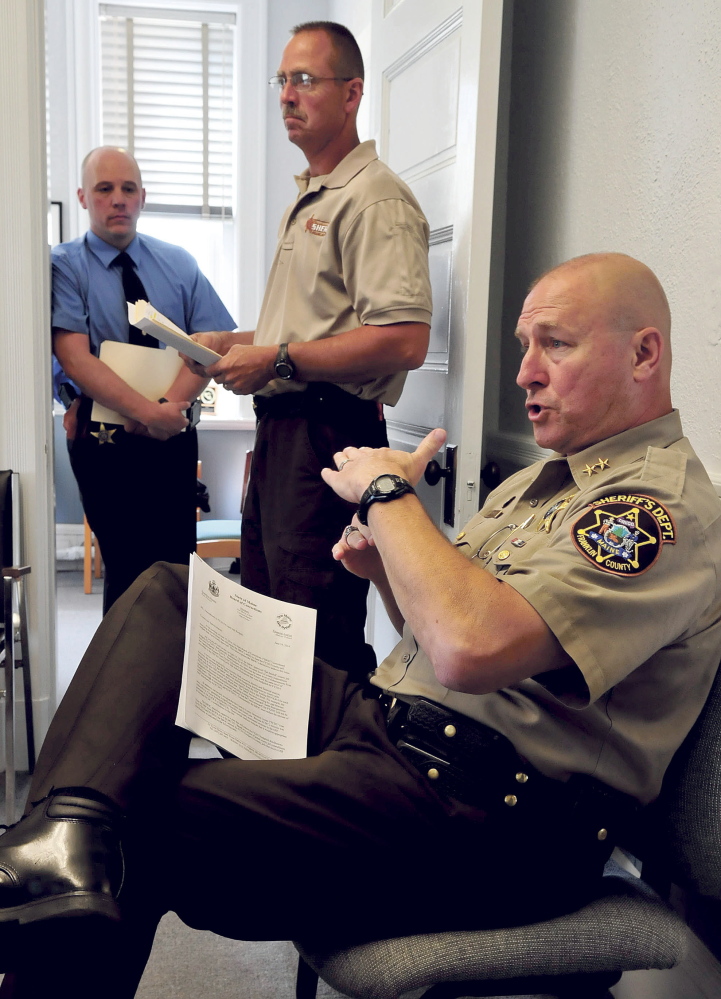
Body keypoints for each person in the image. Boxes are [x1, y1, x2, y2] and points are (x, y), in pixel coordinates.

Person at [1, 253, 720, 997]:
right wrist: (386, 568)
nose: (524, 373)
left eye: (555, 345)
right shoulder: (545, 483)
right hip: (391, 729)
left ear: (643, 352)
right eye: (521, 347)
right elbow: (442, 634)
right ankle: (55, 838)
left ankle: (56, 860)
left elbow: (471, 649)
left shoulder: (652, 511)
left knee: (140, 821)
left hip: (491, 818)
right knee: (169, 595)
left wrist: (385, 492)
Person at [184, 21, 432, 676]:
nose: (286, 96)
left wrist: (276, 359)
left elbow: (404, 340)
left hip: (328, 433)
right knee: (268, 611)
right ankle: (272, 772)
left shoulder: (373, 198)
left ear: (351, 94)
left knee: (310, 627)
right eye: (281, 81)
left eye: (303, 80)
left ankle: (329, 771)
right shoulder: (311, 195)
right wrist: (224, 344)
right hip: (283, 432)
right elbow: (308, 327)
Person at [52, 146, 236, 613]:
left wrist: (167, 411)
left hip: (173, 430)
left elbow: (213, 342)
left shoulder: (179, 264)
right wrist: (147, 412)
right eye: (104, 189)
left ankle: (175, 682)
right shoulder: (64, 265)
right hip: (103, 435)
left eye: (128, 189)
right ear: (82, 197)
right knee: (128, 568)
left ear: (143, 197)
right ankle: (124, 683)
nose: (118, 200)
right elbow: (75, 358)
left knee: (177, 566)